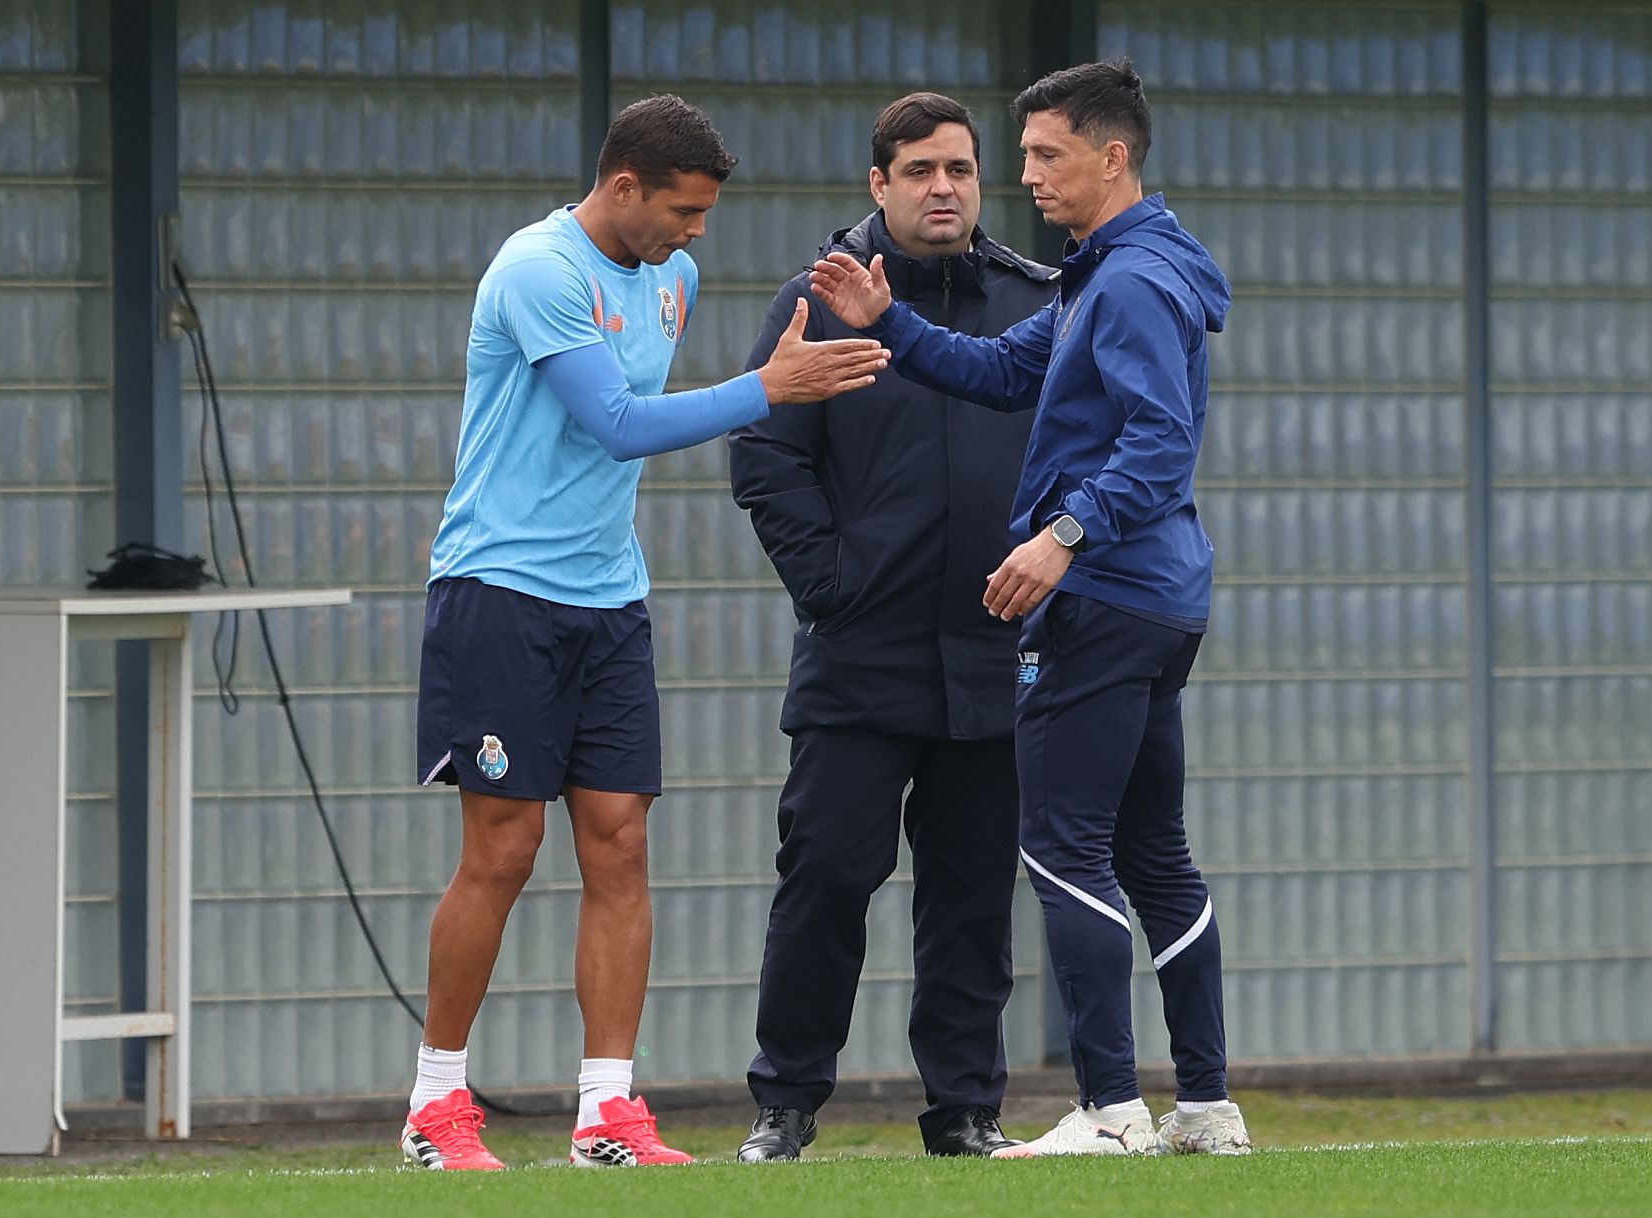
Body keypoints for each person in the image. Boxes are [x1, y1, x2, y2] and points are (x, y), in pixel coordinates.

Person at [404, 93, 891, 1172]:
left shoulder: (670, 274)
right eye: (683, 209)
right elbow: (616, 425)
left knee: (620, 843)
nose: (697, 232)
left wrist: (766, 388)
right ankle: (435, 1107)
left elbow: (635, 428)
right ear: (623, 186)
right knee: (505, 848)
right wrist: (768, 389)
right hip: (500, 590)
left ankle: (606, 1118)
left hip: (608, 600)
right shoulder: (538, 270)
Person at [809, 60, 1252, 1157]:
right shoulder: (1100, 273)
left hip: (1102, 598)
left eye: (1045, 155)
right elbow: (1006, 371)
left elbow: (1158, 445)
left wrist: (1059, 538)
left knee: (1062, 850)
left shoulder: (1133, 283)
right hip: (1157, 601)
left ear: (1112, 157)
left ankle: (1109, 1110)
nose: (1025, 177)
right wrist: (890, 323)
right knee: (1155, 855)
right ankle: (1204, 1105)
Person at [727, 93, 1057, 1163]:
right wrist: (830, 584)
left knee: (969, 902)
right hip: (857, 655)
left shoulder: (1029, 301)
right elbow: (764, 457)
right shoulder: (814, 302)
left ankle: (962, 1112)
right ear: (877, 184)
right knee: (824, 875)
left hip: (990, 654)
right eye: (917, 171)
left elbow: (1086, 441)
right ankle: (784, 1105)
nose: (942, 189)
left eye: (959, 170)